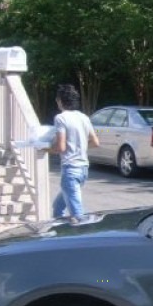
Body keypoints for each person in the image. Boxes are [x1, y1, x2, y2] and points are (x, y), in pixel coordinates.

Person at [49, 84, 99, 221]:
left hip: (70, 169)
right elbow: (95, 142)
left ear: (60, 101)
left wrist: (46, 148)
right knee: (58, 207)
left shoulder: (61, 118)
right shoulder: (84, 117)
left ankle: (82, 238)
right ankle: (60, 234)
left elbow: (61, 147)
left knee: (77, 215)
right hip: (83, 169)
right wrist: (80, 147)